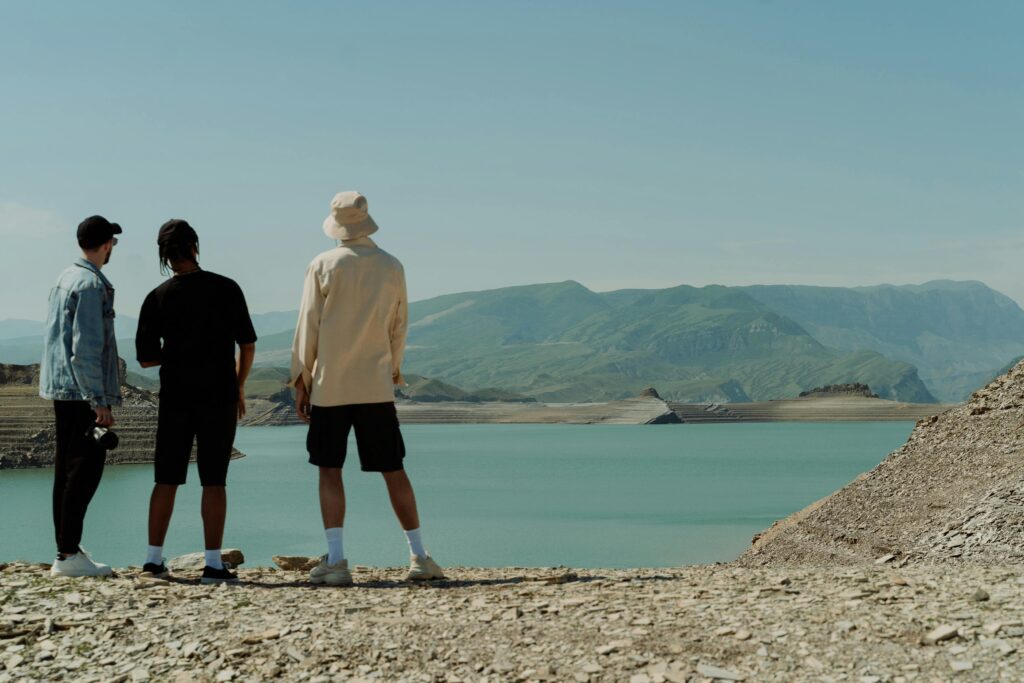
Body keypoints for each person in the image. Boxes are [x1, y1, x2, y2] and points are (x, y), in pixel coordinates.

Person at [291, 191, 443, 586]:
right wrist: (391, 370)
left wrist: (301, 379)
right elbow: (399, 325)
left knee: (329, 469)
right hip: (375, 385)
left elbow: (309, 325)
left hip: (330, 386)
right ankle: (419, 556)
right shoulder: (392, 266)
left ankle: (337, 561)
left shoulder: (322, 264)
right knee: (394, 470)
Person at [135, 219, 257, 585]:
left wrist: (178, 352)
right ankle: (213, 565)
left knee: (166, 479)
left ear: (164, 254)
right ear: (194, 247)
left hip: (175, 396)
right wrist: (238, 386)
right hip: (219, 394)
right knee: (214, 480)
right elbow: (247, 344)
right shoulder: (226, 288)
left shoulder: (156, 296)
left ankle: (153, 561)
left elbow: (145, 358)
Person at [40, 215, 124, 577]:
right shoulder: (90, 285)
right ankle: (68, 554)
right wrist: (98, 401)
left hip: (62, 388)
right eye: (113, 243)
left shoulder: (65, 277)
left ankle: (67, 548)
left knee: (66, 471)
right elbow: (85, 350)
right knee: (84, 472)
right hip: (81, 391)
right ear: (106, 244)